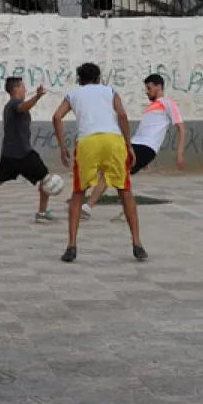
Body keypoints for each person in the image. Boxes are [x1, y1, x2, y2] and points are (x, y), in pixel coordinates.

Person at [51, 63, 147, 264]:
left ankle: (72, 245)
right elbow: (122, 115)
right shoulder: (110, 91)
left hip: (88, 142)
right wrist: (128, 144)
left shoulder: (74, 95)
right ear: (98, 78)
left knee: (78, 192)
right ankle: (137, 243)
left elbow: (57, 117)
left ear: (80, 79)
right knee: (125, 190)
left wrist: (62, 146)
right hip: (113, 141)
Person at [84, 73, 185, 219]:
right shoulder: (151, 107)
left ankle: (87, 208)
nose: (147, 92)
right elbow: (147, 130)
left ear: (159, 86)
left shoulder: (168, 103)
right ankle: (125, 211)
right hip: (136, 146)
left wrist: (179, 153)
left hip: (145, 148)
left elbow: (181, 128)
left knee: (111, 172)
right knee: (114, 173)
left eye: (149, 88)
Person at [0, 78, 54, 224]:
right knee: (46, 179)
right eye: (23, 87)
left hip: (9, 154)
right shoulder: (14, 104)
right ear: (15, 89)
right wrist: (38, 96)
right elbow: (23, 107)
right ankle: (42, 212)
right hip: (23, 153)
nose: (25, 90)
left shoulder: (8, 106)